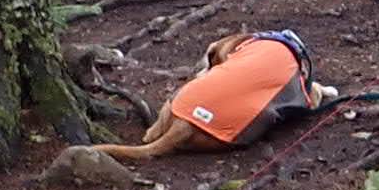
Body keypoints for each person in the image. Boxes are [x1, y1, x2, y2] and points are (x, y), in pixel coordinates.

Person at [83, 30, 336, 164]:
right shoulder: (286, 63)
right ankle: (174, 140)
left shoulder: (241, 53)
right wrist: (320, 90)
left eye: (210, 64)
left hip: (189, 115)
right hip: (215, 133)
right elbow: (309, 99)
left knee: (189, 95)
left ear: (220, 53)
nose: (208, 71)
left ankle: (155, 134)